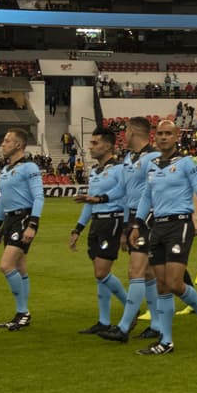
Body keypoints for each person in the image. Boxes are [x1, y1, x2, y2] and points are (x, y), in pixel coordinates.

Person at [128, 120, 197, 355]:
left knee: (175, 283)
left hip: (180, 225)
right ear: (155, 137)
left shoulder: (189, 163)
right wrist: (137, 224)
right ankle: (166, 341)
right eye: (160, 134)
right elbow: (146, 197)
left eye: (168, 133)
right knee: (161, 286)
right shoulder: (154, 165)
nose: (164, 137)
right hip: (157, 226)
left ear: (176, 136)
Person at [99, 117, 161, 343]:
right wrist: (101, 198)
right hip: (134, 217)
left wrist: (139, 222)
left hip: (149, 217)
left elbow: (155, 192)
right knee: (147, 273)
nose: (123, 135)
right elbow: (124, 192)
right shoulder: (129, 158)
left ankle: (124, 328)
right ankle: (157, 324)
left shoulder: (153, 157)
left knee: (135, 272)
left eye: (125, 131)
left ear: (133, 131)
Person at [68, 127, 128, 334]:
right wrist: (78, 228)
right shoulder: (94, 171)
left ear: (109, 145)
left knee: (101, 272)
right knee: (101, 275)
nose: (91, 147)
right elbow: (89, 203)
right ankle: (103, 321)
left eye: (95, 143)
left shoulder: (120, 169)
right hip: (96, 223)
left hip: (112, 221)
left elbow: (126, 198)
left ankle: (132, 307)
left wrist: (126, 229)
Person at [0, 127, 44, 331]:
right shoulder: (5, 170)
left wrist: (33, 224)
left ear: (18, 145)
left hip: (24, 218)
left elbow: (39, 196)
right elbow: (2, 201)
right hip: (10, 221)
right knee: (20, 267)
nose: (2, 144)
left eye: (6, 140)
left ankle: (23, 312)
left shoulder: (29, 168)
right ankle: (22, 314)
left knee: (6, 265)